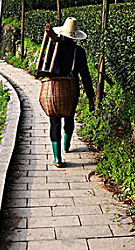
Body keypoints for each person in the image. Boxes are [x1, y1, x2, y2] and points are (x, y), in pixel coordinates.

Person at [48, 17, 95, 167]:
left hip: (54, 88)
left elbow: (45, 66)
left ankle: (57, 158)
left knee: (54, 121)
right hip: (71, 89)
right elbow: (85, 75)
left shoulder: (53, 47)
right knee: (69, 117)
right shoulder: (79, 52)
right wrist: (90, 96)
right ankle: (66, 146)